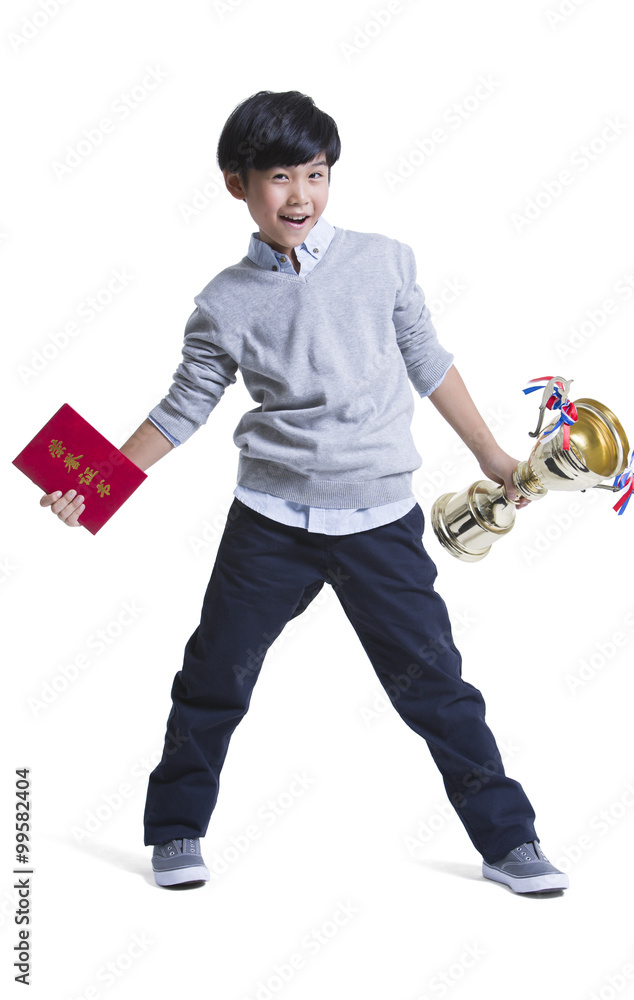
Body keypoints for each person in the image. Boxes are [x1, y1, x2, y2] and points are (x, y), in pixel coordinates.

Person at [41, 90, 568, 896]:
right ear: (236, 185)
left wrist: (495, 455)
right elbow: (184, 406)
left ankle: (510, 843)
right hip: (270, 525)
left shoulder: (386, 259)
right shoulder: (221, 302)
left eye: (316, 175)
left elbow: (429, 361)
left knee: (439, 689)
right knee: (214, 674)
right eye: (279, 176)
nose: (300, 196)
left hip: (379, 520)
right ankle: (177, 830)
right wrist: (95, 485)